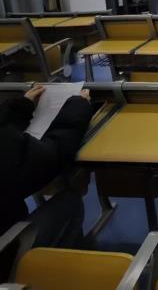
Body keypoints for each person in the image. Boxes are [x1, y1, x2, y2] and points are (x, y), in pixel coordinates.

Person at [0, 85, 92, 279]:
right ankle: (55, 277)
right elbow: (50, 157)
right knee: (70, 202)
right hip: (4, 255)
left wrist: (18, 108)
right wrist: (78, 107)